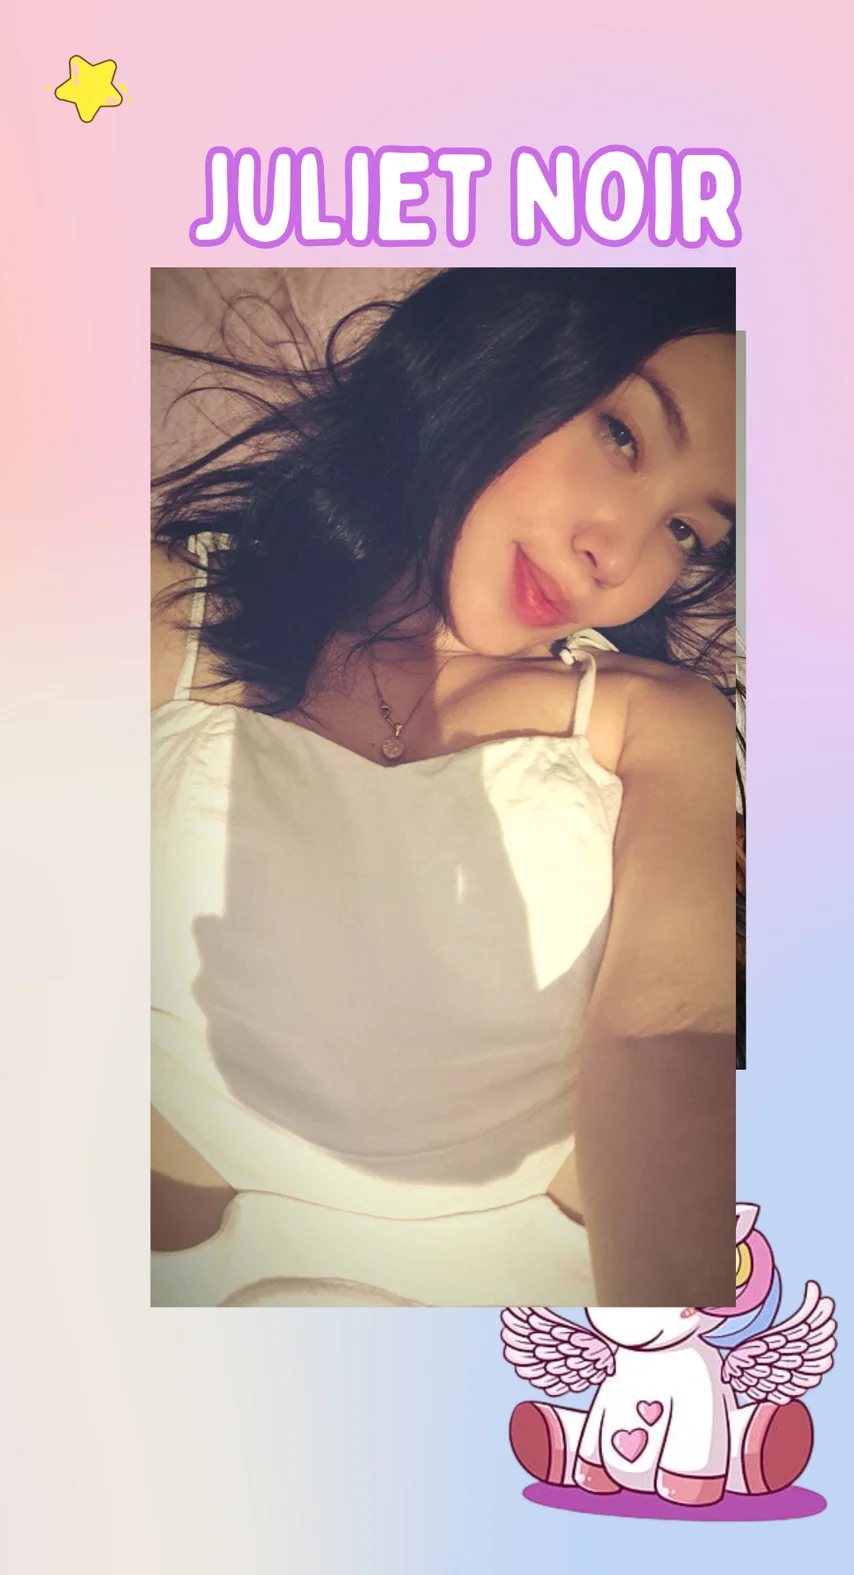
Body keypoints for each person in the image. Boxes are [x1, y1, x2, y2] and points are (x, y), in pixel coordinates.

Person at [151, 267, 738, 1309]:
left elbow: (670, 1026)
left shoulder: (661, 718)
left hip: (536, 1264)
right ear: (502, 357)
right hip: (186, 1247)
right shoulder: (163, 615)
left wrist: (674, 1355)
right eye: (622, 434)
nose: (618, 557)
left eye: (689, 532)